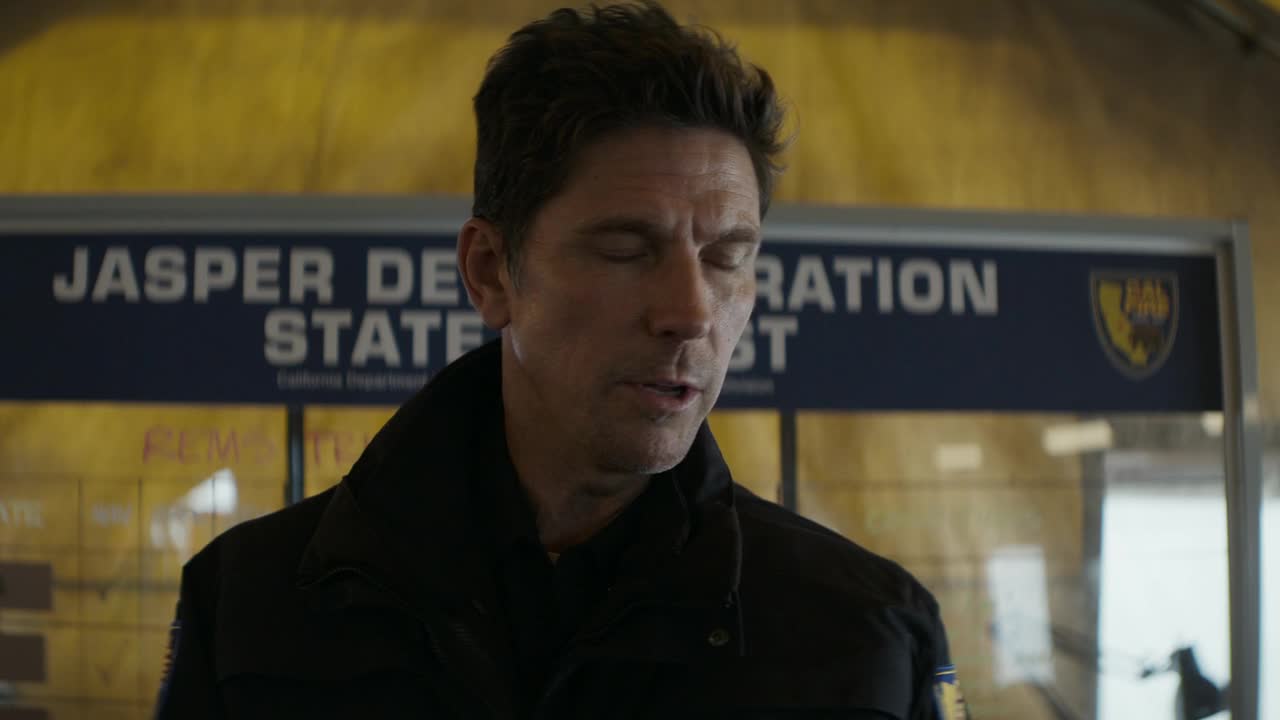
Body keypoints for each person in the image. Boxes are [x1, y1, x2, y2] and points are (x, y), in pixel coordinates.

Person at [155, 2, 963, 718]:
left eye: (726, 257)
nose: (689, 313)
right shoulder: (247, 607)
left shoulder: (867, 637)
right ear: (491, 273)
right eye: (625, 250)